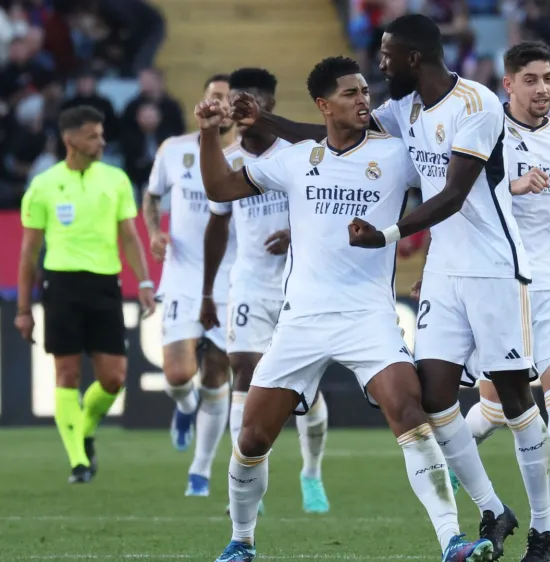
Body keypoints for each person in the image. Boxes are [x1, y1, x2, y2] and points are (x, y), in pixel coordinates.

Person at [229, 15, 550, 562]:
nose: (378, 67)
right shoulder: (402, 111)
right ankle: (493, 509)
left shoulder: (474, 104)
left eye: (385, 57)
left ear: (412, 56)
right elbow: (332, 136)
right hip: (444, 272)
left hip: (494, 267)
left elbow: (453, 194)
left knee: (516, 399)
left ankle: (545, 532)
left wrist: (384, 233)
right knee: (432, 397)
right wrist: (266, 119)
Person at [200, 56, 493, 562]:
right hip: (302, 321)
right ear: (323, 105)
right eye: (352, 93)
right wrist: (208, 134)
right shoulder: (296, 158)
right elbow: (220, 189)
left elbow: (451, 199)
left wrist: (433, 264)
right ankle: (241, 541)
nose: (365, 100)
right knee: (251, 437)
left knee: (409, 410)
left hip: (368, 317)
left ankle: (453, 540)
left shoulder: (399, 155)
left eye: (366, 91)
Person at [456, 41, 550, 559]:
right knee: (494, 406)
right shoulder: (487, 130)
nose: (543, 89)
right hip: (506, 277)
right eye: (531, 79)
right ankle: (449, 455)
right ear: (507, 84)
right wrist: (510, 186)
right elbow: (462, 196)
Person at [201, 68, 331, 514]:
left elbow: (330, 212)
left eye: (246, 102)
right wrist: (205, 294)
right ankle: (245, 481)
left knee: (304, 393)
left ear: (267, 107)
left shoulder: (301, 155)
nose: (237, 111)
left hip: (302, 284)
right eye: (233, 103)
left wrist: (295, 236)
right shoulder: (231, 160)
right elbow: (217, 226)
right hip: (250, 282)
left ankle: (311, 472)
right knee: (245, 372)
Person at [16, 105, 156, 483]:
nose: (102, 141)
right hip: (60, 285)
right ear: (70, 140)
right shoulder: (43, 185)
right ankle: (78, 462)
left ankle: (86, 429)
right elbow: (29, 252)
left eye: (101, 134)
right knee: (66, 373)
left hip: (104, 285)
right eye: (94, 135)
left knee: (114, 378)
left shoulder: (115, 179)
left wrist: (143, 282)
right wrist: (23, 309)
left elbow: (129, 235)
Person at [142, 74, 237, 496]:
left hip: (230, 281)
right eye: (215, 95)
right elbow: (151, 197)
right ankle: (183, 407)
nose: (220, 103)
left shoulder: (248, 157)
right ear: (203, 102)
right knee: (179, 373)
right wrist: (154, 233)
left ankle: (200, 469)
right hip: (181, 275)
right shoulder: (173, 150)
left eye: (229, 98)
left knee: (216, 374)